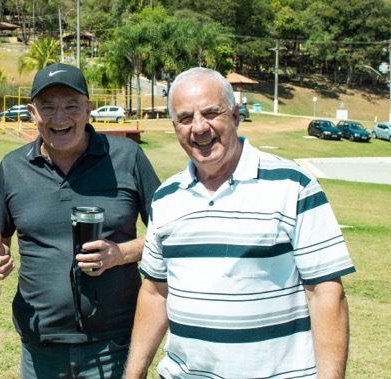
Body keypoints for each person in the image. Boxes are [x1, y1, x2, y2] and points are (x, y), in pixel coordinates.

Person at [125, 67, 356, 379]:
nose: (199, 127)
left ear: (235, 116)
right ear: (175, 126)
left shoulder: (293, 184)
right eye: (185, 118)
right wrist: (133, 374)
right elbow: (155, 293)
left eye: (211, 113)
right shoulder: (166, 197)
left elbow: (326, 292)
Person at [0, 63, 161, 378]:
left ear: (88, 109)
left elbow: (167, 235)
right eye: (48, 107)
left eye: (71, 106)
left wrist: (120, 253)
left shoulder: (127, 157)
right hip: (40, 347)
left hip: (115, 344)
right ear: (32, 113)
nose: (60, 117)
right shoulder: (12, 167)